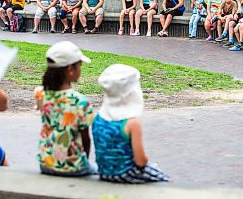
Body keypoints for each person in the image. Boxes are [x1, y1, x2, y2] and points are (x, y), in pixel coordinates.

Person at [92, 64, 169, 184]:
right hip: (125, 173)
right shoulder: (131, 123)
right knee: (164, 179)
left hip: (104, 172)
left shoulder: (98, 117)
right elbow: (140, 161)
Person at [34, 41, 96, 176]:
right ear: (70, 69)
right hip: (73, 166)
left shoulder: (40, 93)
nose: (81, 69)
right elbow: (86, 139)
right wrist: (83, 163)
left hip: (46, 163)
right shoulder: (80, 101)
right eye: (80, 65)